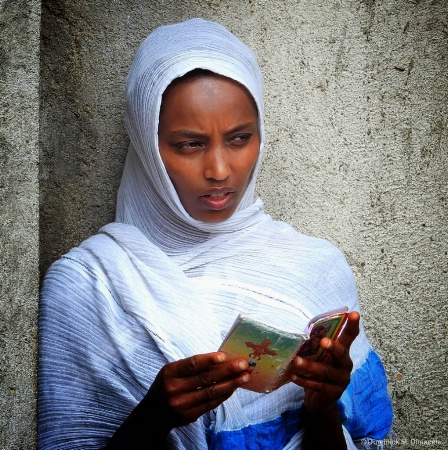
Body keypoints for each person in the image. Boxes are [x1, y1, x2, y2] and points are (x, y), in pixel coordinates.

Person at [38, 18, 393, 450]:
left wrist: (322, 407)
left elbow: (361, 438)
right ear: (148, 147)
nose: (220, 170)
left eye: (240, 138)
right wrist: (155, 417)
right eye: (190, 144)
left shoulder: (315, 269)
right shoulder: (89, 285)